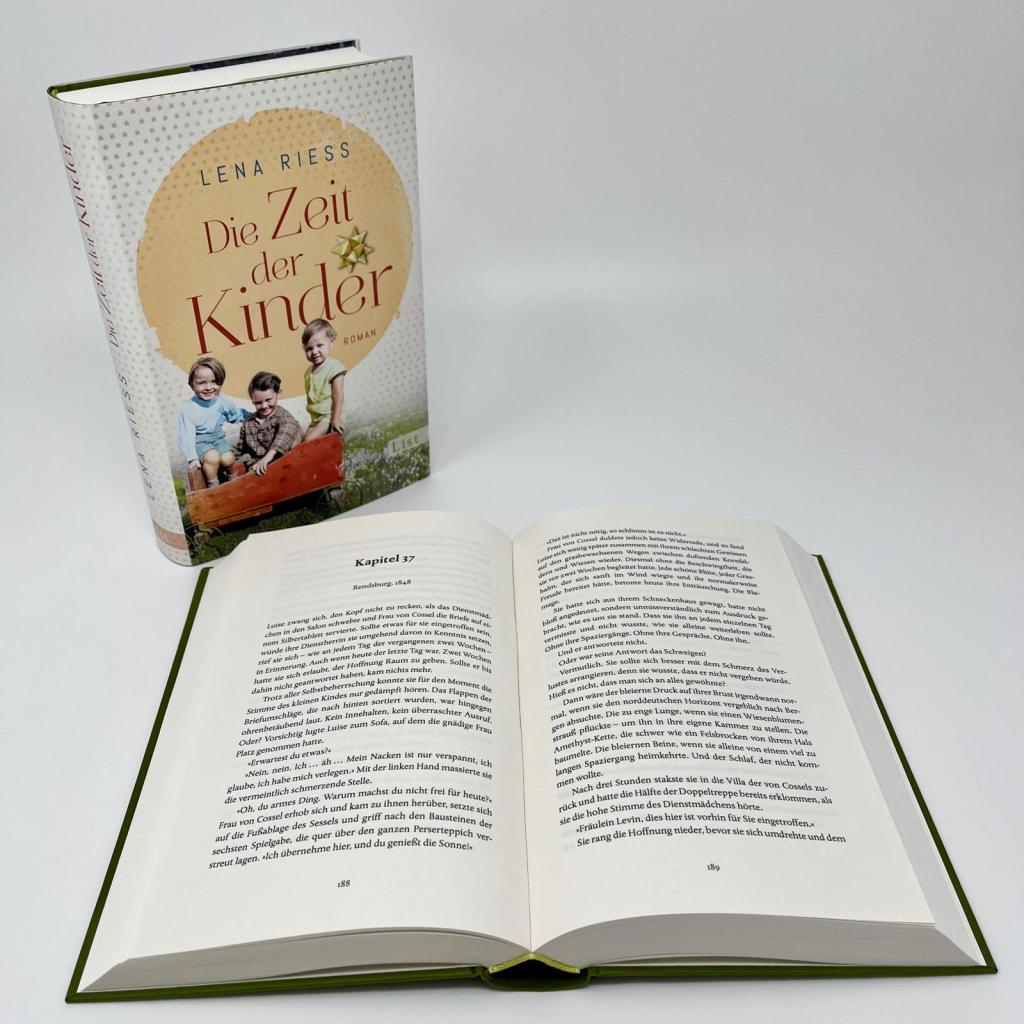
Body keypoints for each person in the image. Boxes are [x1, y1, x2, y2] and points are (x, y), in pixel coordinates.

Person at [176, 356, 246, 488]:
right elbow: (187, 436)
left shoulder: (222, 401)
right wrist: (192, 458)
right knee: (213, 457)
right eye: (202, 383)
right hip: (201, 442)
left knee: (228, 458)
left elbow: (236, 414)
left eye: (214, 382)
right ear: (192, 384)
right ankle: (213, 485)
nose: (209, 387)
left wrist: (249, 417)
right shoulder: (188, 409)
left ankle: (233, 479)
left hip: (218, 439)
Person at [238, 371, 303, 475]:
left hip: (280, 463)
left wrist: (267, 457)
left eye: (268, 400)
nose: (264, 406)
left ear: (278, 394)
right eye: (258, 402)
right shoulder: (248, 423)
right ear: (252, 400)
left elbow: (286, 432)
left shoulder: (283, 417)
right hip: (257, 466)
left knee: (296, 433)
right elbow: (241, 448)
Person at [300, 318, 346, 442]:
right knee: (303, 442)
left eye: (320, 345)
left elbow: (338, 395)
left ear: (331, 342)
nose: (314, 352)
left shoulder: (334, 367)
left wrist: (336, 419)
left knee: (309, 441)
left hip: (329, 415)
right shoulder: (308, 372)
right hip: (316, 418)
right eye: (309, 349)